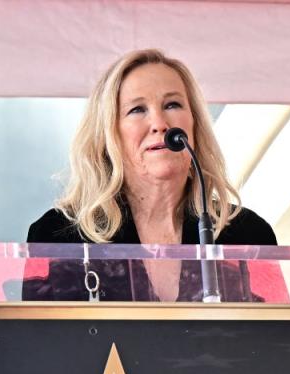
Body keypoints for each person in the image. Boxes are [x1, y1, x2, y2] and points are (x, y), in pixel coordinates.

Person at [25, 49, 276, 301]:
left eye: (172, 104)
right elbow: (37, 338)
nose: (159, 123)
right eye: (137, 109)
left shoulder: (249, 235)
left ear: (195, 124)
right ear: (108, 133)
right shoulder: (58, 236)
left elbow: (278, 339)